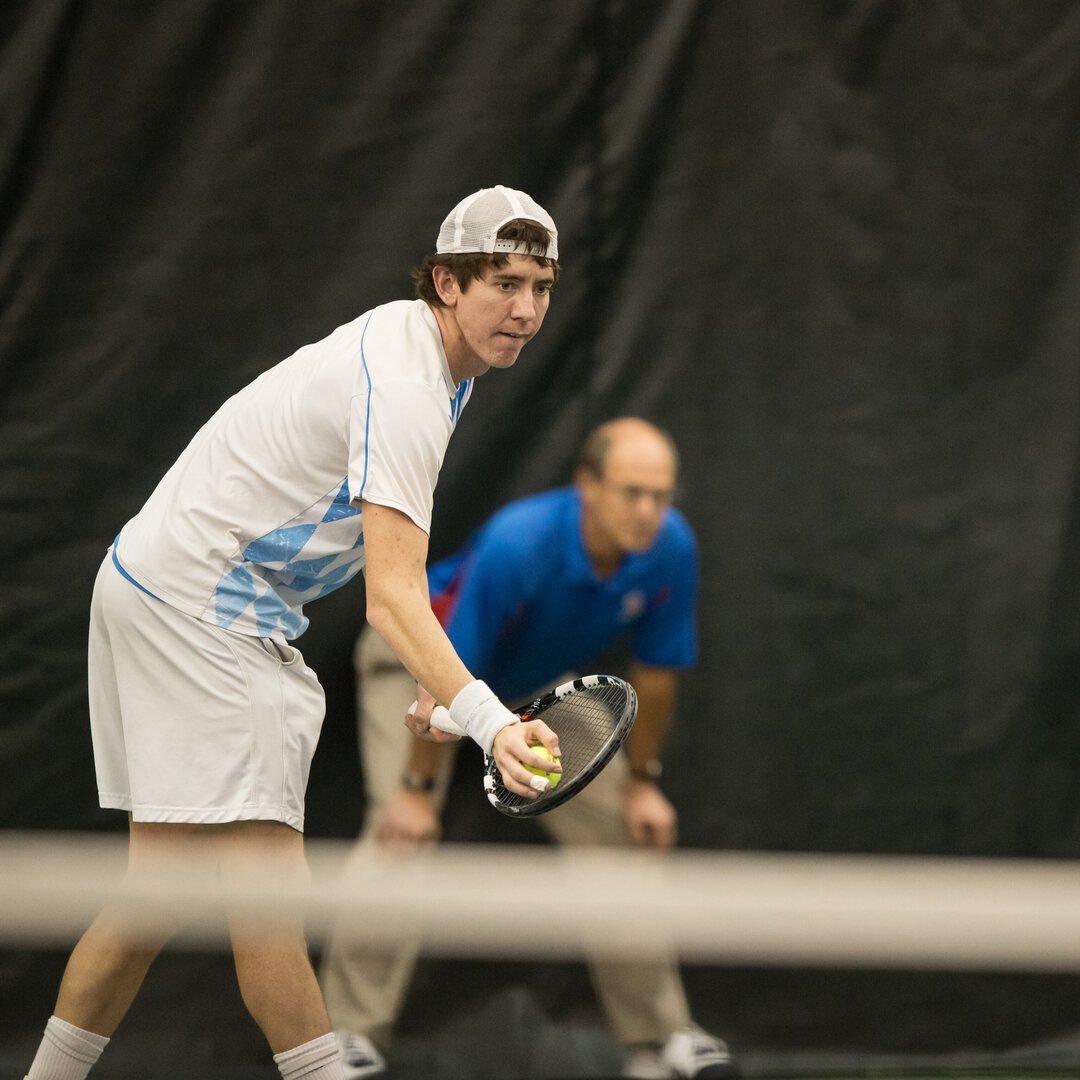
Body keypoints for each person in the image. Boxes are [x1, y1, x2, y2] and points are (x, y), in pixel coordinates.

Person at [24, 186, 565, 1080]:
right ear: (445, 282)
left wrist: (443, 679)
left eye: (541, 286)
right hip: (201, 611)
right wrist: (492, 723)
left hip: (153, 583)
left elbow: (394, 575)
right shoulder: (407, 385)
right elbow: (392, 599)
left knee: (150, 898)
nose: (525, 309)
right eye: (503, 282)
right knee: (270, 897)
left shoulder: (427, 356)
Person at [319, 417, 739, 1080]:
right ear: (588, 487)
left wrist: (642, 781)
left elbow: (656, 676)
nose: (647, 511)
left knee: (618, 831)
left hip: (524, 684)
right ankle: (345, 1036)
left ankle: (658, 1040)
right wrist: (418, 793)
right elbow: (444, 667)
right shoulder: (521, 543)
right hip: (420, 662)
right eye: (632, 492)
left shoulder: (671, 547)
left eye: (661, 496)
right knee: (400, 834)